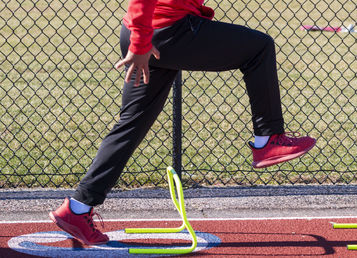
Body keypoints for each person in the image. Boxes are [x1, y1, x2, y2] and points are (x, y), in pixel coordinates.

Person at [49, 0, 316, 245]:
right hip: (164, 33)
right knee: (259, 47)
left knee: (131, 125)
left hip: (148, 33)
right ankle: (268, 140)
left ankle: (78, 208)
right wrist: (141, 44)